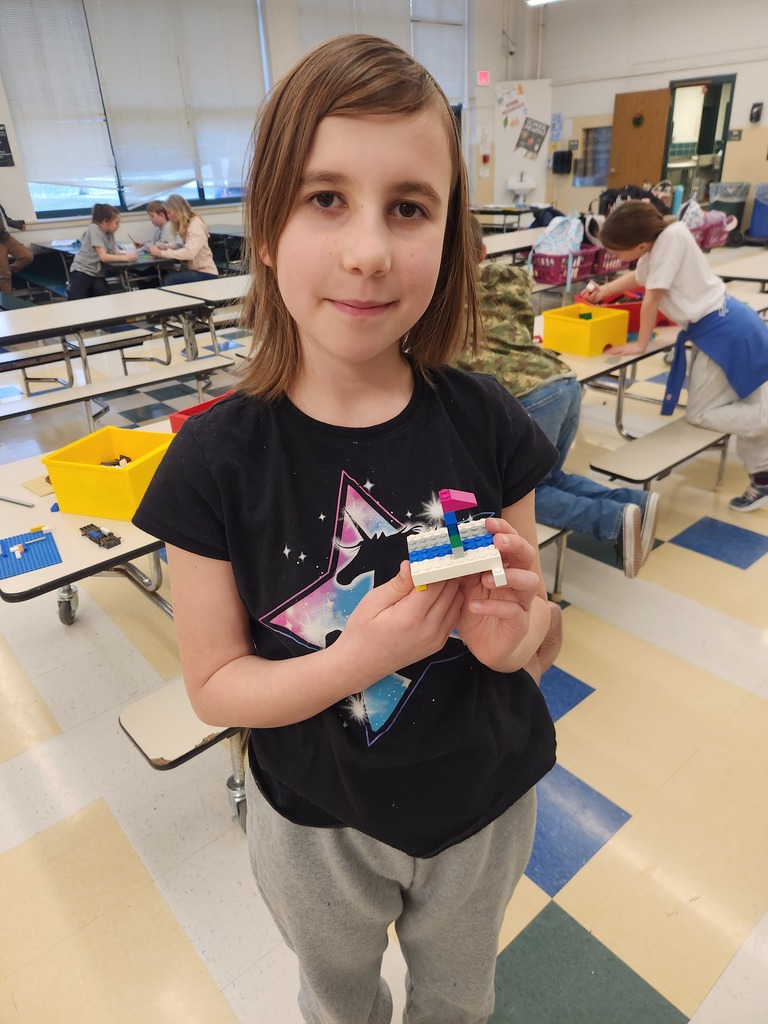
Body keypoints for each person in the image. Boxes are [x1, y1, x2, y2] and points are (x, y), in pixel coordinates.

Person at [134, 34, 562, 1024]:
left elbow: (543, 632)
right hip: (315, 824)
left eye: (407, 207)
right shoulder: (211, 461)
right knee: (338, 1001)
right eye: (326, 198)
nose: (369, 249)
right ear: (270, 228)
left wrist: (519, 640)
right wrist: (358, 654)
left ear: (448, 234)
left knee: (459, 998)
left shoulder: (489, 418)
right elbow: (213, 688)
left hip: (487, 805)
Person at [456, 216, 659, 577]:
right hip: (562, 382)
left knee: (518, 495)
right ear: (485, 252)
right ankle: (636, 503)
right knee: (550, 479)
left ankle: (611, 521)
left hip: (526, 398)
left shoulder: (444, 297)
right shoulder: (509, 284)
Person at [592, 200, 768, 513]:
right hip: (725, 326)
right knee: (746, 402)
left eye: (617, 252)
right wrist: (606, 293)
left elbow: (652, 297)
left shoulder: (670, 240)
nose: (615, 259)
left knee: (703, 414)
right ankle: (763, 477)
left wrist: (640, 344)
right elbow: (640, 278)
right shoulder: (664, 237)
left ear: (641, 244)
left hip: (724, 333)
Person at [66, 203, 138, 299]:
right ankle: (70, 288)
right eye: (116, 223)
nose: (118, 226)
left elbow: (115, 253)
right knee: (77, 299)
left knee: (103, 295)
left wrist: (129, 255)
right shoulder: (94, 228)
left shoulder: (110, 232)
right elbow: (103, 257)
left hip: (97, 273)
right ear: (105, 221)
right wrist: (125, 258)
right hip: (83, 270)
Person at [147, 193, 218, 284]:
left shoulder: (195, 225)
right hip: (195, 270)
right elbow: (180, 244)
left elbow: (189, 253)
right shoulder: (186, 224)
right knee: (164, 278)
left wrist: (161, 253)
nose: (168, 216)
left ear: (177, 210)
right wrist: (163, 246)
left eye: (169, 212)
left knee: (169, 280)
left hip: (205, 272)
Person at [0, 201, 34, 293]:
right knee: (5, 275)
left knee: (27, 256)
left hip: (5, 236)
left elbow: (4, 219)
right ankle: (9, 304)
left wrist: (18, 224)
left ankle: (8, 271)